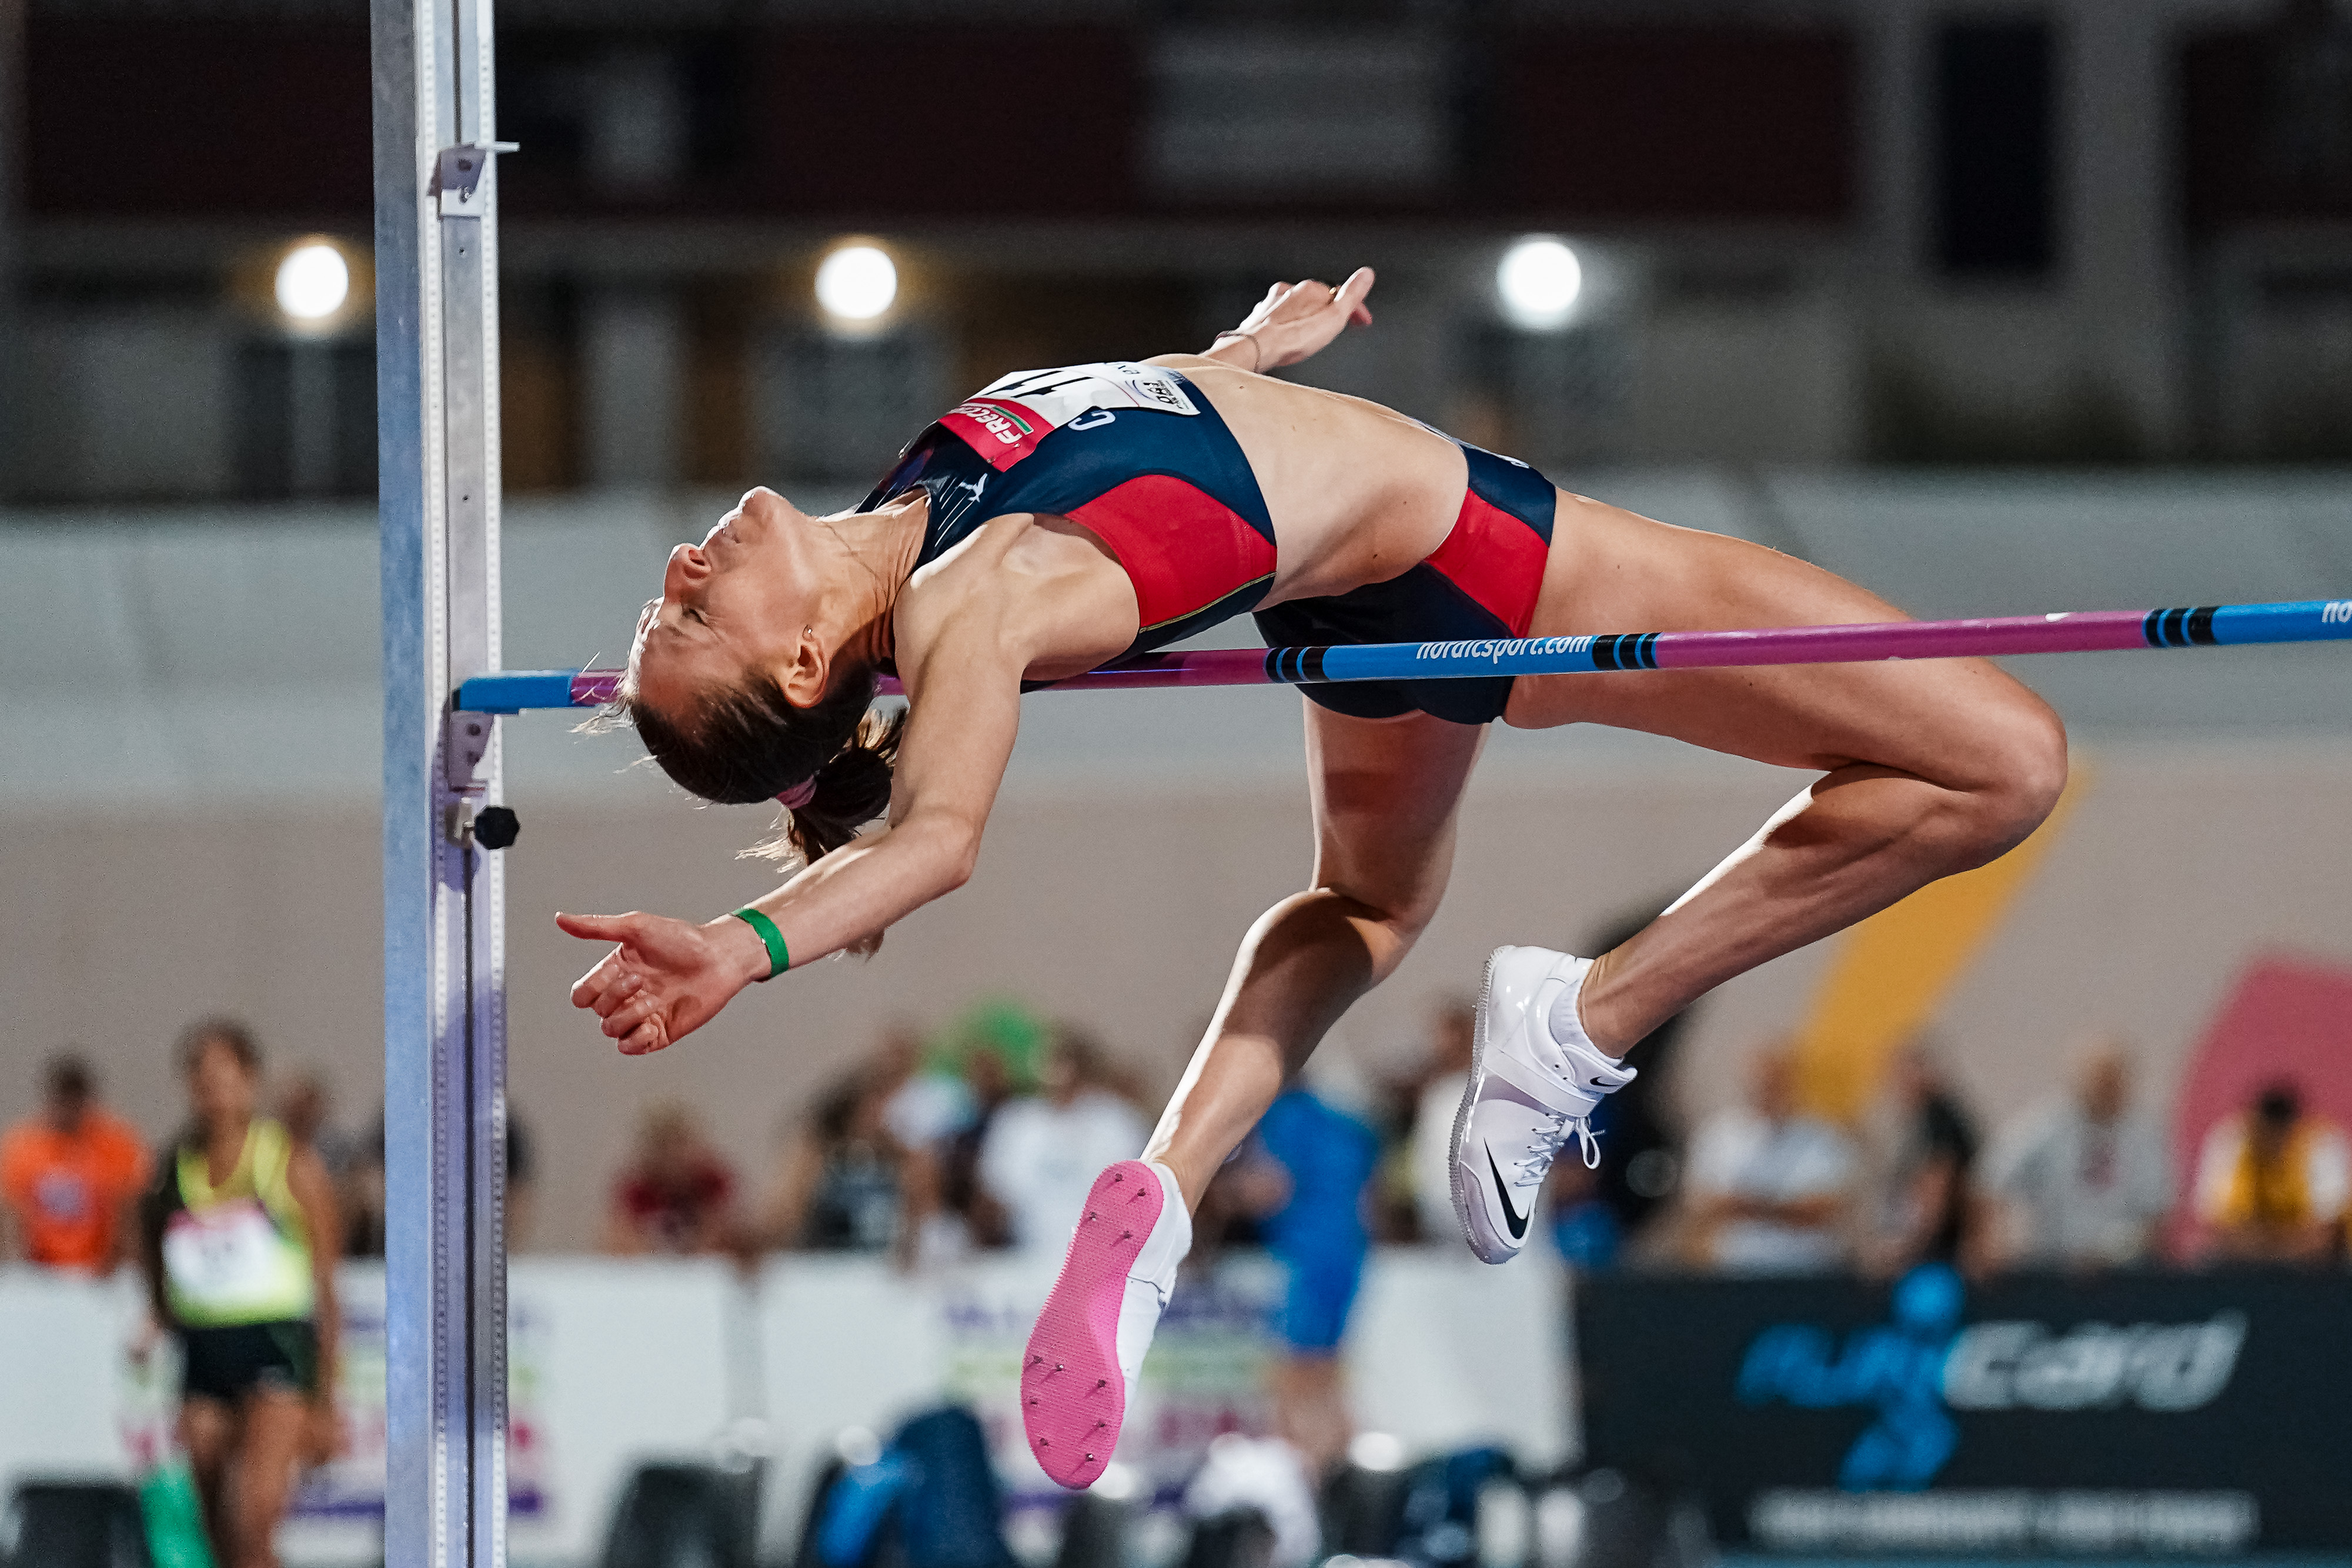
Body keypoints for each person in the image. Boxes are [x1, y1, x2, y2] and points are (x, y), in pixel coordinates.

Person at [552, 269, 2067, 1487]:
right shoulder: (973, 597)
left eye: (663, 605)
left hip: (1355, 591)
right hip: (1483, 557)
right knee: (2003, 764)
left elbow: (1126, 443)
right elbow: (937, 837)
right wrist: (742, 946)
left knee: (1372, 905)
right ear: (805, 663)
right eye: (691, 622)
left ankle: (1164, 1192)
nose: (677, 572)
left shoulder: (921, 500)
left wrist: (1237, 361)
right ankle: (1590, 1016)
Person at [136, 1019, 341, 1568]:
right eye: (203, 1079)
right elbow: (150, 1244)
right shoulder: (174, 1168)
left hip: (274, 1343)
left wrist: (328, 1401)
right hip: (205, 1349)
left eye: (226, 1077)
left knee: (255, 1518)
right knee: (216, 1531)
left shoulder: (287, 1163)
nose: (215, 1092)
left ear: (250, 1080)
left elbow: (327, 1289)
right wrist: (159, 1312)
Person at [1980, 1039, 2171, 1270]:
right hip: (2052, 1267)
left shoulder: (2145, 1135)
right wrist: (1990, 1240)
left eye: (2110, 1082)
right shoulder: (2049, 1127)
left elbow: (2156, 1216)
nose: (2103, 1091)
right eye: (2098, 1081)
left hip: (2123, 1272)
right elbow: (1991, 1177)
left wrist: (2106, 1254)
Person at [1679, 1043, 1856, 1274]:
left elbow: (1825, 1209)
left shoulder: (1822, 1138)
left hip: (1805, 1271)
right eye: (1759, 1082)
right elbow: (1700, 1204)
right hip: (1734, 1270)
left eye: (1774, 1081)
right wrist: (1784, 1209)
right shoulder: (1719, 1135)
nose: (1766, 1089)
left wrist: (1749, 1206)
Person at [978, 1028, 1148, 1254]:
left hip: (1101, 1255)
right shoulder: (1017, 1121)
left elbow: (1136, 1195)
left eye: (1064, 1060)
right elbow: (996, 1196)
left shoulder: (1117, 1123)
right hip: (1028, 1253)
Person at [756, 1066, 934, 1256]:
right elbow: (783, 1214)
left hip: (880, 1266)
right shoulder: (813, 1152)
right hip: (824, 1263)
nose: (881, 1112)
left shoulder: (904, 1159)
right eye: (874, 1101)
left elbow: (923, 1223)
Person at [0, 1053, 149, 1273]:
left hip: (101, 1270)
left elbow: (130, 1212)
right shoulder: (23, 1146)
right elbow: (10, 1215)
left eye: (76, 1100)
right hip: (42, 1270)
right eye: (64, 1100)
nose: (70, 1109)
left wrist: (121, 1263)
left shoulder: (116, 1143)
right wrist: (18, 1268)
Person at [1857, 1041, 1982, 1277]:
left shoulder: (1940, 1123)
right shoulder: (1921, 1122)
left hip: (1938, 1255)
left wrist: (1906, 1248)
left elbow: (1937, 1190)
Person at [2192, 1080, 2348, 1264]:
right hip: (2243, 1261)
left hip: (2310, 1265)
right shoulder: (2232, 1141)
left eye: (2280, 1136)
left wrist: (2274, 1253)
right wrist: (2269, 1251)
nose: (2273, 1142)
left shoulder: (2320, 1144)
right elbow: (2215, 1226)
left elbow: (2327, 1233)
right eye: (2265, 1133)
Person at [600, 1099, 737, 1256]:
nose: (674, 1156)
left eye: (680, 1145)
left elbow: (727, 1239)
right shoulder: (636, 1191)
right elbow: (619, 1243)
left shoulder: (711, 1184)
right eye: (664, 1147)